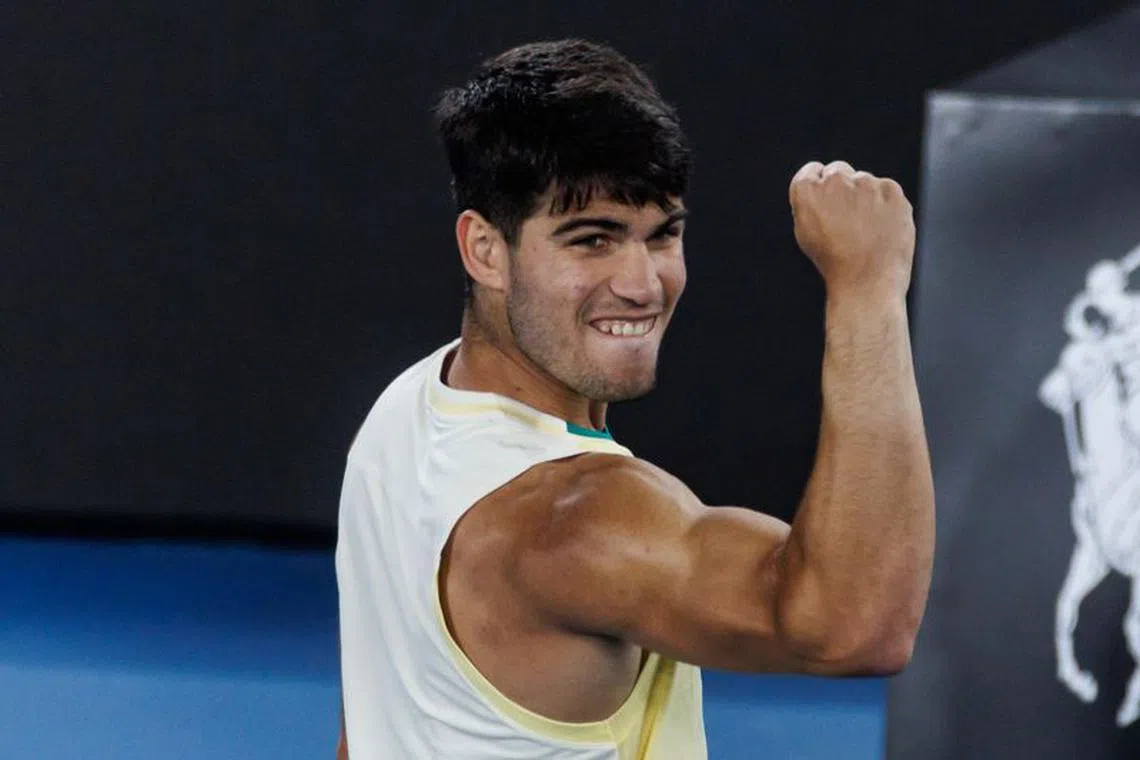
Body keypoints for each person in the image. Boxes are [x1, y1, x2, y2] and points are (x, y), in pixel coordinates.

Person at [334, 38, 934, 759]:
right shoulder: (582, 519)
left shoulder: (404, 411)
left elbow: (377, 722)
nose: (643, 283)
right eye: (593, 240)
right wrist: (867, 286)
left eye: (662, 235)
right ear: (485, 250)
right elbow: (854, 625)